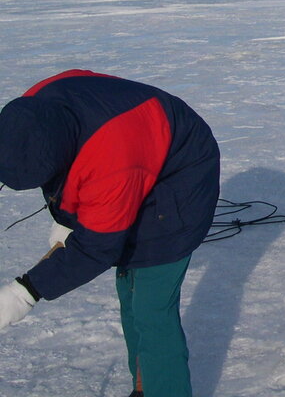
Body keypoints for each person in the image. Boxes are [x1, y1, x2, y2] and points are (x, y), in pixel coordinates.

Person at [0, 70, 220, 397]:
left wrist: (25, 292)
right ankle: (144, 388)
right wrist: (66, 216)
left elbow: (95, 249)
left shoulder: (112, 159)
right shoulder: (31, 107)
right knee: (131, 294)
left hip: (179, 177)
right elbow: (61, 169)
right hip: (137, 146)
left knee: (152, 308)